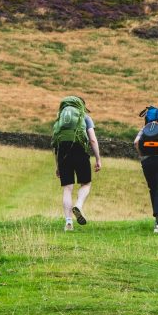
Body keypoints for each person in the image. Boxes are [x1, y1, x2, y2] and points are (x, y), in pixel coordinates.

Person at [51, 96, 102, 231]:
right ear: (81, 106)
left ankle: (68, 223)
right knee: (86, 183)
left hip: (63, 152)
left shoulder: (60, 118)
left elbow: (55, 143)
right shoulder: (84, 117)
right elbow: (92, 140)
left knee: (67, 188)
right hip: (80, 150)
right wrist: (98, 159)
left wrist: (57, 165)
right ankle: (78, 206)